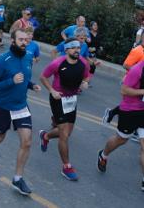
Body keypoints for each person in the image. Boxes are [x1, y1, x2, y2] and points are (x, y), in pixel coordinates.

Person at [96, 43, 144, 193]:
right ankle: (103, 154)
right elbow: (124, 90)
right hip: (130, 111)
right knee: (121, 139)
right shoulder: (137, 70)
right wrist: (143, 91)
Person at [0, 29, 41, 195]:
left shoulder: (28, 57)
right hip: (4, 106)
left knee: (27, 142)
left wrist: (31, 85)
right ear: (13, 41)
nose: (24, 42)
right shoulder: (3, 59)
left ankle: (18, 178)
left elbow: (24, 77)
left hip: (21, 106)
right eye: (21, 39)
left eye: (26, 40)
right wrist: (11, 81)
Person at [39, 38, 90, 181]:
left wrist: (85, 83)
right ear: (66, 49)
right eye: (73, 47)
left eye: (78, 47)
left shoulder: (83, 63)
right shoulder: (57, 63)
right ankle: (66, 166)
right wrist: (51, 91)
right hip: (58, 99)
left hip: (72, 99)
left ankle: (46, 136)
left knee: (68, 132)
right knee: (64, 135)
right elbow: (43, 77)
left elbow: (86, 76)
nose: (77, 50)